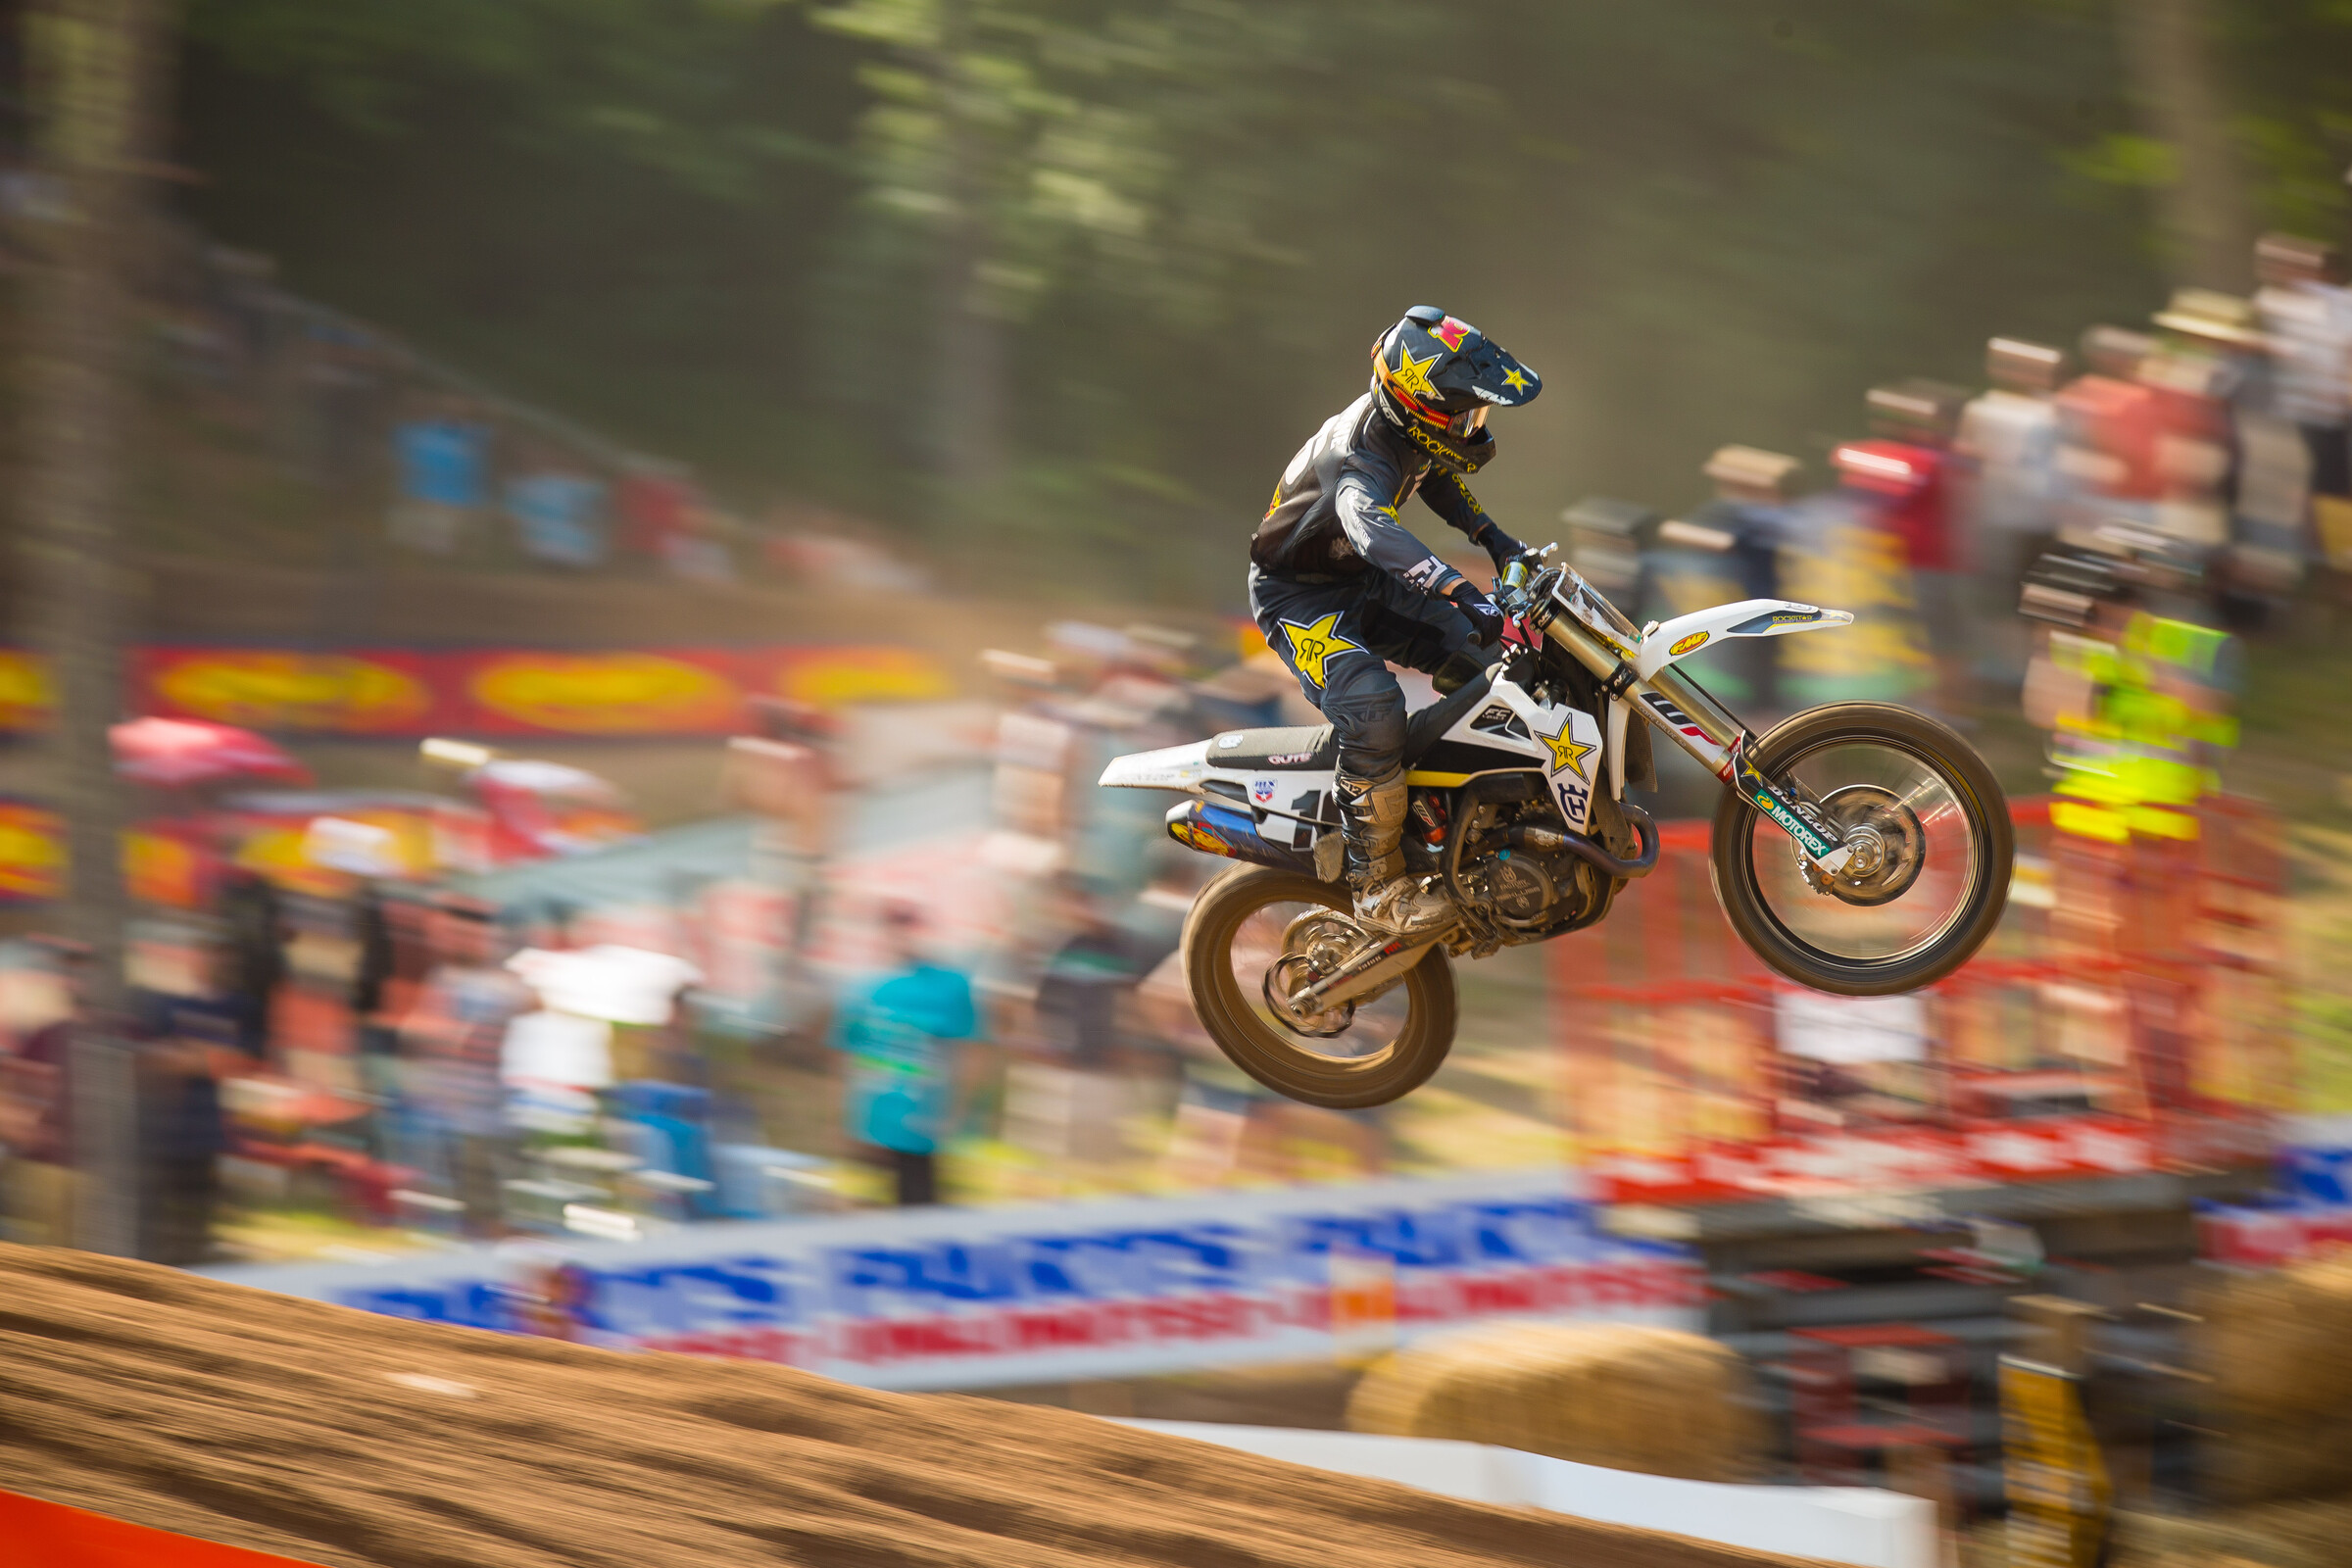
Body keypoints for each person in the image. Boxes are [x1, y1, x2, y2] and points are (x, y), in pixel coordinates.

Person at [1249, 306, 1542, 935]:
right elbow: (1374, 530)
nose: (1471, 426)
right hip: (1299, 598)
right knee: (1375, 711)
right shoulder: (1360, 463)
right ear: (1416, 408)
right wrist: (1464, 591)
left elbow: (1432, 475)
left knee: (1499, 663)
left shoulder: (1403, 428)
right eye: (1461, 415)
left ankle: (1461, 827)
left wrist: (1494, 538)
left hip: (1360, 579)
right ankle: (1377, 887)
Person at [834, 902, 979, 1206]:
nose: (901, 938)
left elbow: (970, 1052)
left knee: (916, 1202)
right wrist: (843, 1119)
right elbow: (849, 1054)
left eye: (909, 928)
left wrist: (956, 1113)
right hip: (874, 1119)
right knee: (866, 1207)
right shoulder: (865, 988)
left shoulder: (949, 986)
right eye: (892, 929)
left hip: (922, 1121)